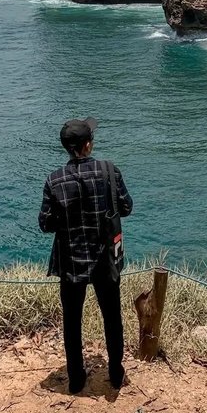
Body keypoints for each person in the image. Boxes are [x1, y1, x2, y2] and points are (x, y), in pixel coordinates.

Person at [38, 117, 133, 393]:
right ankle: (115, 373)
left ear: (67, 148)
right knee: (112, 317)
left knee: (72, 321)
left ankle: (76, 380)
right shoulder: (109, 171)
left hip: (71, 260)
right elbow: (126, 207)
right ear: (88, 145)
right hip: (106, 259)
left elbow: (45, 223)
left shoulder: (54, 180)